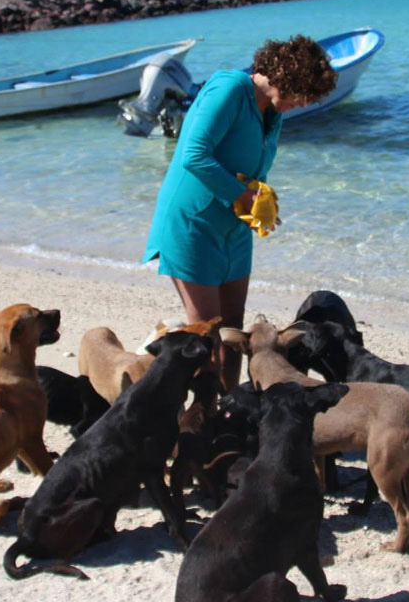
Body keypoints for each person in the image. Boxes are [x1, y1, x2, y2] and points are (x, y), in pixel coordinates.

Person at [141, 35, 337, 392]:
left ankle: (232, 412)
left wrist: (261, 201)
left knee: (234, 330)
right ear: (287, 76)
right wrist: (243, 194)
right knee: (207, 334)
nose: (301, 104)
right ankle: (204, 424)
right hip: (193, 222)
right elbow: (194, 155)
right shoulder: (230, 88)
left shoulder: (273, 113)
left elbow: (251, 169)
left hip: (233, 227)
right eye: (302, 94)